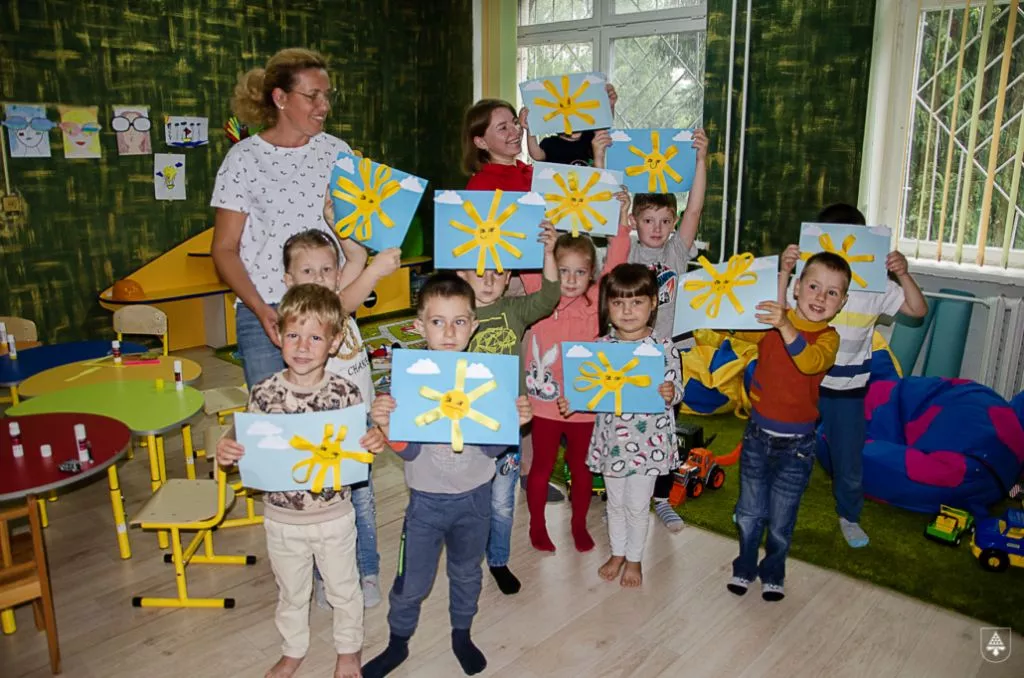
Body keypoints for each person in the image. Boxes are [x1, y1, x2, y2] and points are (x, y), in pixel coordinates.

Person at [362, 273, 534, 678]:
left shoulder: (486, 379)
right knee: (412, 582)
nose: (449, 332)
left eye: (459, 321)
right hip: (425, 504)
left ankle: (461, 634)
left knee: (466, 573)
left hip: (475, 502)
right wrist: (387, 427)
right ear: (419, 326)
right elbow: (410, 451)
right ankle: (398, 642)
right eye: (438, 321)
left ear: (473, 325)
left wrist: (513, 424)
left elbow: (491, 450)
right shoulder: (409, 380)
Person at [215, 283, 389, 678]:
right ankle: (293, 650)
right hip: (281, 520)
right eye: (293, 335)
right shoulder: (264, 393)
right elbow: (243, 436)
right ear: (278, 334)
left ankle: (349, 649)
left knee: (344, 589)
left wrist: (375, 439)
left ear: (335, 341)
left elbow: (364, 440)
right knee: (291, 592)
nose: (303, 347)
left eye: (315, 337)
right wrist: (226, 448)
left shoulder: (345, 393)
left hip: (335, 516)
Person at [210, 47, 399, 388]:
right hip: (266, 307)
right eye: (312, 96)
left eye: (327, 96)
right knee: (274, 411)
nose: (324, 106)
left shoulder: (338, 152)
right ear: (280, 98)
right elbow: (224, 249)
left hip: (330, 302)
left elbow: (356, 235)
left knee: (337, 406)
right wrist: (259, 309)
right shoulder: (243, 159)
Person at [778, 203, 928, 548]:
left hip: (847, 389)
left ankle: (849, 515)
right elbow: (779, 308)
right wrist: (786, 271)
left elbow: (918, 310)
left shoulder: (874, 287)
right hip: (803, 383)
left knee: (847, 457)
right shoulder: (810, 285)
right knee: (785, 447)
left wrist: (903, 274)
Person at [726, 252, 849, 602]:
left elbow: (809, 362)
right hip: (757, 437)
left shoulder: (829, 338)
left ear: (842, 303)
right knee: (748, 513)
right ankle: (744, 566)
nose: (820, 297)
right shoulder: (773, 322)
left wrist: (784, 325)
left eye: (832, 293)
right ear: (797, 289)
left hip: (798, 447)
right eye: (813, 287)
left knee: (781, 521)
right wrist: (717, 310)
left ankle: (773, 572)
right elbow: (736, 326)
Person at [557, 264, 683, 588]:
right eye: (618, 303)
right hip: (612, 442)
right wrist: (573, 401)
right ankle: (617, 552)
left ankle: (635, 558)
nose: (627, 311)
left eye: (636, 302)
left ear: (653, 303)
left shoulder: (663, 347)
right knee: (614, 503)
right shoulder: (600, 347)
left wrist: (670, 392)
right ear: (608, 306)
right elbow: (588, 390)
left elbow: (677, 389)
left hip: (649, 445)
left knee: (638, 506)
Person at [281, 229, 389, 608]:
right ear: (289, 281)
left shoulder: (339, 300)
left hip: (359, 424)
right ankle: (325, 578)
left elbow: (356, 258)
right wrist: (374, 272)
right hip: (322, 432)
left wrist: (339, 226)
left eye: (327, 269)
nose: (319, 278)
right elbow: (346, 300)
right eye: (308, 271)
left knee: (363, 503)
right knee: (323, 510)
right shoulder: (307, 322)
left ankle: (368, 570)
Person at [522, 192, 631, 553]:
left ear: (591, 274)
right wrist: (535, 225)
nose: (570, 279)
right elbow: (524, 257)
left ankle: (579, 524)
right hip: (544, 404)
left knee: (582, 470)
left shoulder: (597, 300)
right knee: (541, 467)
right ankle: (537, 526)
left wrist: (620, 218)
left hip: (584, 405)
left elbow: (616, 259)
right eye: (563, 270)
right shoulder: (541, 293)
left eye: (580, 272)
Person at [456, 221, 560, 595]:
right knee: (469, 500)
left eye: (498, 272)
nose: (489, 280)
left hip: (507, 428)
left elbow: (549, 297)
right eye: (479, 271)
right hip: (466, 427)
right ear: (461, 272)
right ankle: (466, 559)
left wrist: (548, 253)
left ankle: (498, 560)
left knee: (502, 501)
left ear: (510, 276)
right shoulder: (454, 319)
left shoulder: (514, 311)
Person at [625, 129, 708, 532]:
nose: (656, 228)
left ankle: (660, 497)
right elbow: (606, 209)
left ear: (673, 223)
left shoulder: (676, 250)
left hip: (668, 352)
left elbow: (695, 209)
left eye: (664, 221)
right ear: (634, 221)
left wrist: (701, 160)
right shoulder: (627, 249)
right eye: (648, 220)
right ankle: (625, 492)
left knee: (665, 426)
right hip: (629, 350)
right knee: (626, 422)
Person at [524, 83, 618, 166]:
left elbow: (604, 125)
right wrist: (530, 128)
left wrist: (609, 105)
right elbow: (536, 155)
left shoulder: (590, 137)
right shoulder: (550, 143)